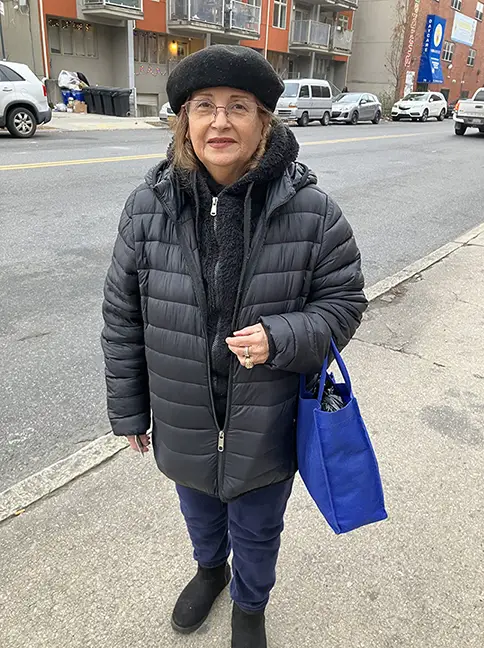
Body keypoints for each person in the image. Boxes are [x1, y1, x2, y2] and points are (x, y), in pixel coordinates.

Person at [101, 45, 367, 648]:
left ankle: (250, 604)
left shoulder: (312, 211)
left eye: (238, 107)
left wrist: (282, 337)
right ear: (184, 122)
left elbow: (345, 302)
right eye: (204, 106)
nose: (220, 122)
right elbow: (122, 315)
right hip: (183, 412)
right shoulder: (147, 208)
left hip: (269, 417)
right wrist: (130, 410)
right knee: (198, 512)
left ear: (263, 121)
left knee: (258, 528)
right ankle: (209, 571)